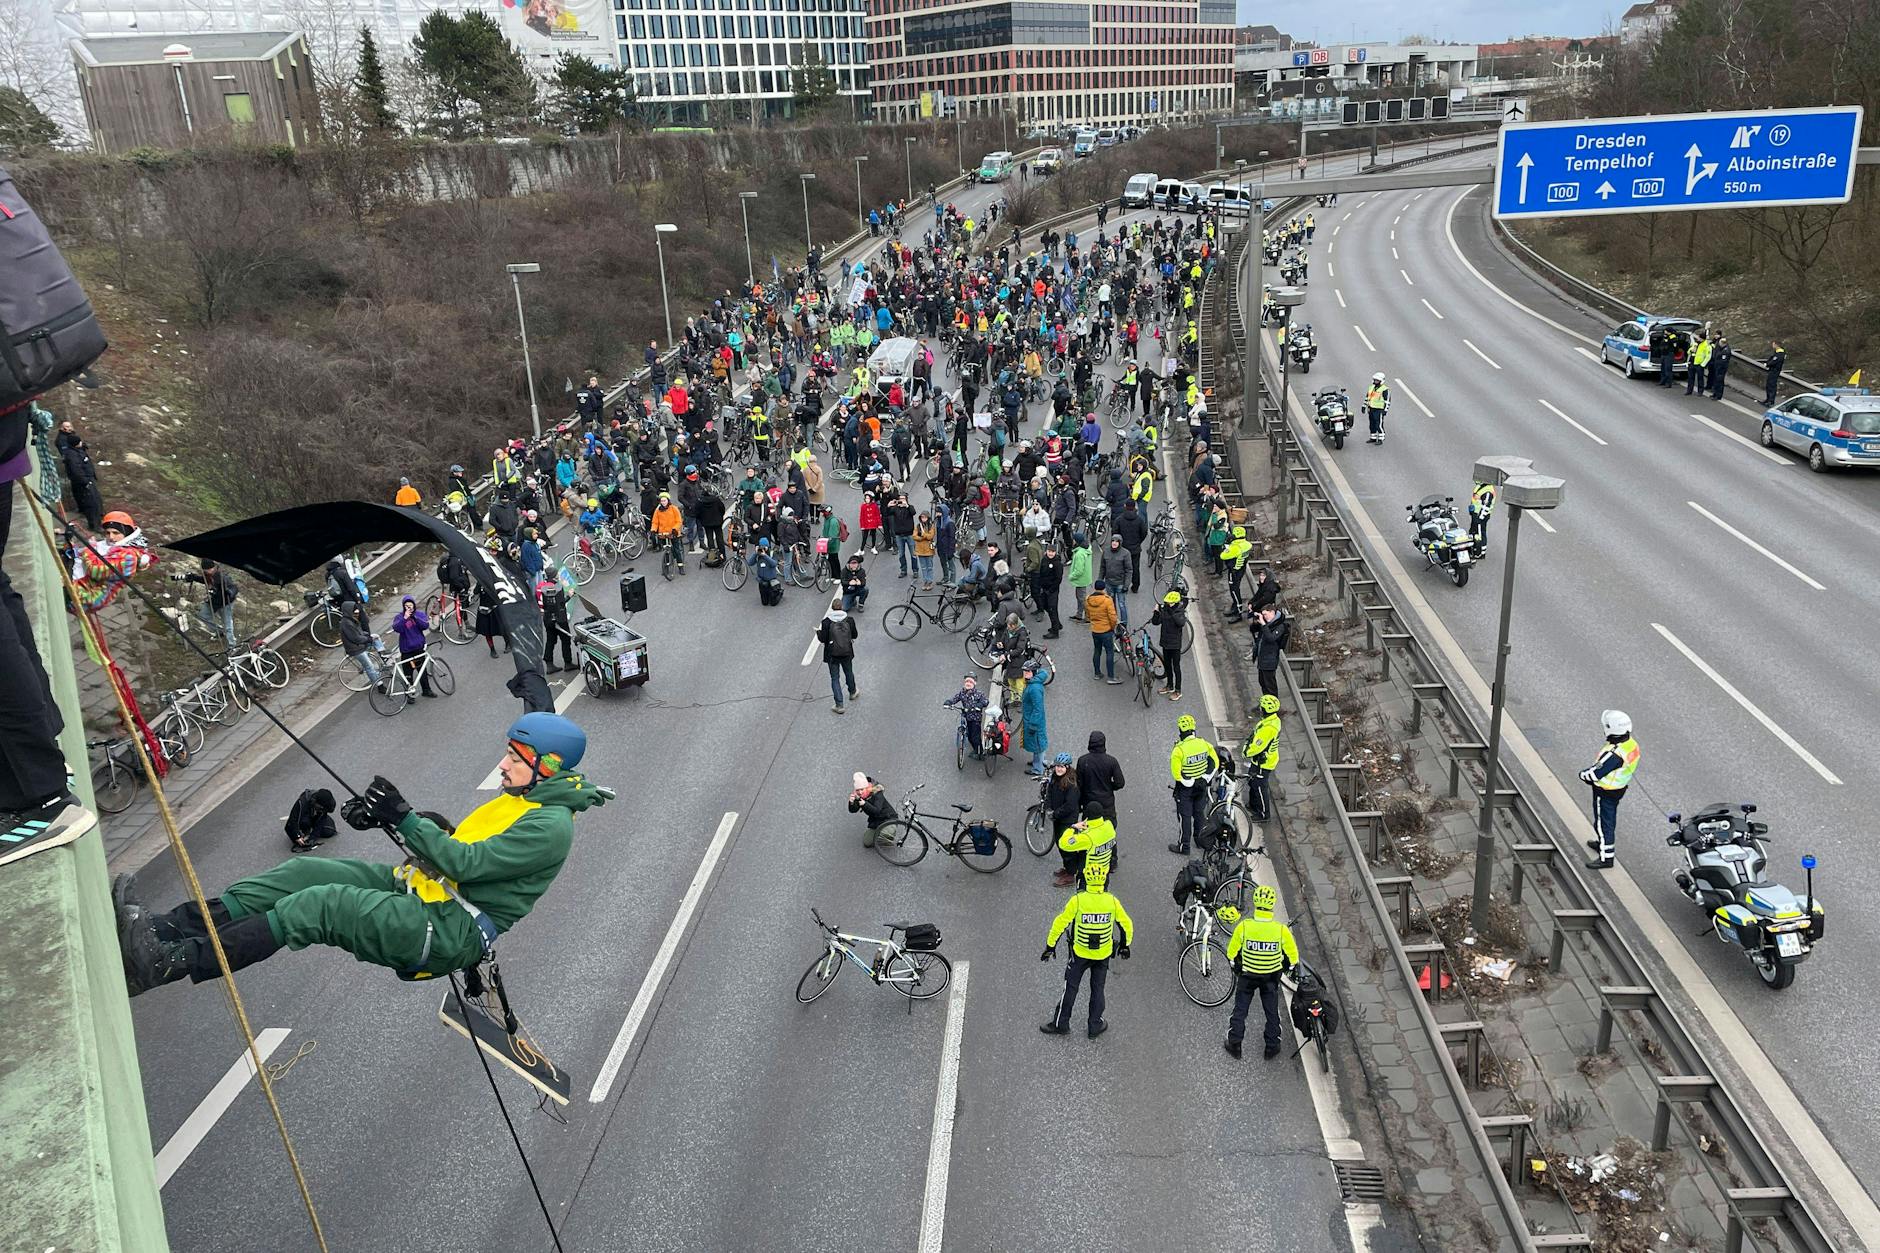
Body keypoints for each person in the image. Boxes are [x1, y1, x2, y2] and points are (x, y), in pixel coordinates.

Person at [114, 715, 604, 995]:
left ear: (548, 767)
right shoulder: (525, 799)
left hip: (450, 927)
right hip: (423, 895)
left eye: (516, 760)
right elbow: (465, 849)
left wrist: (406, 817)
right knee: (304, 872)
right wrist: (391, 819)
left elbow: (467, 866)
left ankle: (167, 963)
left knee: (321, 906)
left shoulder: (551, 826)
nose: (503, 764)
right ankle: (163, 929)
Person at [1040, 857, 1132, 1040]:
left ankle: (1061, 1023)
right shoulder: (1112, 901)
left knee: (1071, 988)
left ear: (1085, 881)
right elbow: (1126, 925)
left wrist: (1050, 946)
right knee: (1098, 989)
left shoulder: (1078, 900)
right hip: (1103, 954)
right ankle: (1095, 1025)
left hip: (1079, 953)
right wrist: (1125, 946)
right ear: (1105, 881)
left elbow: (1060, 923)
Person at [1223, 884, 1299, 1060]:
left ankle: (1235, 1044)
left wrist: (1237, 966)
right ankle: (1272, 1047)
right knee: (1272, 1012)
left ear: (1255, 903)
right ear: (1272, 905)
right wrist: (1286, 968)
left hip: (1247, 976)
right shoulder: (1281, 930)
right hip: (1270, 978)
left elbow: (1231, 953)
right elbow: (1293, 957)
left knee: (1240, 1010)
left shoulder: (1244, 926)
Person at [1579, 709, 1639, 869]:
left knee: (1603, 823)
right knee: (1608, 820)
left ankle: (1606, 857)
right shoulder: (1630, 744)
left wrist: (1583, 775)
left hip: (1605, 792)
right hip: (1618, 789)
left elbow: (1596, 772)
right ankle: (1603, 845)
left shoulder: (1614, 753)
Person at [1168, 713, 1218, 855]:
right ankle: (1200, 840)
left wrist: (1188, 782)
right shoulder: (1204, 744)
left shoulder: (1179, 749)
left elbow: (1176, 773)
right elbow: (1214, 762)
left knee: (1185, 817)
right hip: (1201, 786)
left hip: (1185, 789)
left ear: (1180, 732)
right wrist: (1205, 778)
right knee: (1199, 813)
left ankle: (1184, 847)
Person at [172, 559, 239, 650]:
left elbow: (233, 587)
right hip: (213, 601)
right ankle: (219, 632)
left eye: (210, 569)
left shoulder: (221, 576)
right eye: (206, 570)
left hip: (225, 603)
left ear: (213, 567)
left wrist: (230, 592)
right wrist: (193, 577)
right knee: (203, 615)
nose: (208, 571)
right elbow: (203, 580)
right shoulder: (208, 575)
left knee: (227, 625)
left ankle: (232, 646)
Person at [1057, 800, 1117, 889]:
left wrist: (1073, 827)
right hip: (1103, 874)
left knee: (1084, 900)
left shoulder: (1087, 837)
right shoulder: (1109, 826)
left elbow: (1063, 843)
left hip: (1088, 877)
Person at [1042, 756, 1083, 886]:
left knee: (1067, 846)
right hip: (1058, 817)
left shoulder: (1072, 784)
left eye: (1062, 766)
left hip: (1068, 820)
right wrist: (1049, 808)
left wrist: (1055, 814)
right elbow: (1049, 794)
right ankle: (1068, 868)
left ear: (1067, 767)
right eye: (1057, 766)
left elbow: (1070, 806)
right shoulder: (1055, 777)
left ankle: (1071, 875)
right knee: (1061, 844)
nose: (1058, 769)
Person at [1241, 694, 1281, 822]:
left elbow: (1257, 746)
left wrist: (1246, 752)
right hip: (1260, 760)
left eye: (1261, 708)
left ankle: (1263, 814)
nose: (1259, 709)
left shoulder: (1268, 728)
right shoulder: (1271, 721)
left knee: (1259, 786)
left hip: (1263, 762)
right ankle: (1253, 805)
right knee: (1252, 781)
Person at [389, 596, 437, 698]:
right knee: (408, 674)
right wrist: (405, 618)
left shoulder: (419, 614)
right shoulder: (399, 617)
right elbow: (397, 628)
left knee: (422, 671)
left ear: (414, 605)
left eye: (410, 605)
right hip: (406, 650)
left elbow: (425, 626)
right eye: (406, 606)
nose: (409, 608)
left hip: (418, 649)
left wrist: (414, 617)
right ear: (403, 606)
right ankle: (410, 694)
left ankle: (426, 690)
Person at [817, 602, 860, 714]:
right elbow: (855, 635)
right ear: (841, 607)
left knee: (835, 678)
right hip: (847, 652)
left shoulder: (826, 622)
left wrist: (818, 632)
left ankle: (839, 705)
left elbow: (823, 639)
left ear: (832, 609)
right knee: (849, 672)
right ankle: (852, 692)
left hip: (832, 655)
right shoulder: (849, 620)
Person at [1075, 731, 1126, 825]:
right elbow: (1120, 783)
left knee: (1089, 829)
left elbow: (1078, 784)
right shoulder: (1111, 761)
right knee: (1108, 828)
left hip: (1089, 802)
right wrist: (1109, 786)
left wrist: (1079, 804)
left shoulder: (1082, 761)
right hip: (1107, 803)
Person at [1150, 591, 1187, 701]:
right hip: (1165, 642)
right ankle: (1169, 685)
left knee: (1176, 667)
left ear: (1175, 602)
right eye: (1167, 602)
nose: (1167, 604)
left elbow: (1180, 623)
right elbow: (1155, 622)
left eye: (1170, 603)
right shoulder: (1165, 609)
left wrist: (1172, 611)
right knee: (1167, 665)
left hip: (1175, 644)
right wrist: (1156, 612)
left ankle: (1178, 690)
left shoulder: (1179, 611)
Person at [943, 673, 989, 758]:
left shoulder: (979, 693)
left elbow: (985, 701)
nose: (968, 683)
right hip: (966, 716)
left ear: (974, 683)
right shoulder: (962, 693)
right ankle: (975, 749)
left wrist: (979, 705)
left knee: (975, 737)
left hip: (975, 718)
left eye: (970, 682)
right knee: (970, 736)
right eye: (966, 681)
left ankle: (980, 752)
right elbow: (955, 698)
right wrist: (949, 702)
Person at [538, 575, 575, 674]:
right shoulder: (557, 588)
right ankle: (568, 662)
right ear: (554, 577)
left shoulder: (542, 587)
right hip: (560, 620)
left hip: (548, 619)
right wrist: (569, 596)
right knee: (565, 640)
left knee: (550, 640)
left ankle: (549, 663)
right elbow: (560, 604)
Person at [847, 772, 895, 848]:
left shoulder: (877, 793)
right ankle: (880, 833)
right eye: (857, 790)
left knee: (886, 835)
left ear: (866, 787)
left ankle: (888, 835)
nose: (860, 792)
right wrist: (851, 802)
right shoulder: (858, 796)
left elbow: (877, 811)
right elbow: (853, 810)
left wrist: (864, 804)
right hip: (875, 821)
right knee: (867, 842)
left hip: (888, 818)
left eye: (862, 789)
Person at [1252, 605, 1289, 699]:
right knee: (1263, 683)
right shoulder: (1267, 624)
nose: (1264, 617)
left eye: (1265, 614)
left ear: (1272, 612)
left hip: (1270, 661)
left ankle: (1273, 707)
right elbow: (1253, 631)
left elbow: (1271, 638)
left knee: (1270, 686)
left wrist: (1264, 625)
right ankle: (1266, 705)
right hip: (1262, 660)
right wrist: (1256, 621)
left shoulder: (1280, 626)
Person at [1086, 580, 1120, 683]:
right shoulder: (1107, 600)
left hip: (1095, 630)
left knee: (1097, 650)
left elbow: (1088, 615)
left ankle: (1097, 673)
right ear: (1103, 588)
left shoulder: (1088, 599)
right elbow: (1113, 617)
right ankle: (1111, 677)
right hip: (1106, 630)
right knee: (1110, 652)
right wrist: (1112, 627)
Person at [1020, 659, 1049, 777]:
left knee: (1038, 744)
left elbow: (1038, 709)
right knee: (1036, 743)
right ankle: (1036, 761)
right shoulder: (1034, 683)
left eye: (1028, 672)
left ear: (1034, 672)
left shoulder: (1034, 688)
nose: (1025, 674)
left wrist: (1033, 724)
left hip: (1034, 721)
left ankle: (1038, 768)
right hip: (1033, 720)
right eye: (1025, 671)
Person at [285, 788, 337, 853]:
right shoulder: (302, 802)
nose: (321, 810)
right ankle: (304, 830)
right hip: (303, 816)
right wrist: (297, 836)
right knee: (303, 823)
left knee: (329, 831)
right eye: (320, 808)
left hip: (315, 816)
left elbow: (322, 819)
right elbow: (292, 821)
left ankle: (310, 829)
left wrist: (312, 838)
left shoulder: (327, 805)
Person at [650, 492, 685, 575]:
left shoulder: (674, 509)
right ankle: (665, 567)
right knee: (665, 550)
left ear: (668, 500)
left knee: (677, 550)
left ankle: (681, 567)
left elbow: (678, 521)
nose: (663, 502)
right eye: (661, 501)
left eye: (664, 501)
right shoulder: (658, 511)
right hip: (663, 534)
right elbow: (655, 522)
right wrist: (653, 530)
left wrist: (675, 529)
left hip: (673, 533)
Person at [1363, 372, 1390, 445]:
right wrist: (1364, 406)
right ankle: (1373, 437)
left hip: (1379, 409)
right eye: (1375, 380)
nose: (1375, 381)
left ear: (1381, 381)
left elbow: (1387, 401)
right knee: (1372, 424)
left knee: (1378, 424)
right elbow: (1367, 397)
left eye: (1377, 380)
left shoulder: (1385, 389)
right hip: (1371, 408)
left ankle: (1381, 438)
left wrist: (1385, 410)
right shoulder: (1371, 387)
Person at [1764, 340, 1786, 407]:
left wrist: (1767, 364)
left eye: (1773, 344)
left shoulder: (1780, 353)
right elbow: (1771, 358)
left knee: (1772, 386)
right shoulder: (1776, 352)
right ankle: (1768, 399)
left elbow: (1774, 361)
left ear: (1776, 345)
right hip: (1772, 370)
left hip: (1775, 371)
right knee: (1768, 385)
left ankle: (1771, 401)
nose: (1772, 345)